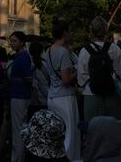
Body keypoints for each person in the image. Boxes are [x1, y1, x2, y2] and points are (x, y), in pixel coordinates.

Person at [78, 16, 121, 122]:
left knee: (94, 131)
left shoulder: (84, 51)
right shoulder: (115, 49)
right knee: (115, 131)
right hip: (113, 94)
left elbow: (81, 78)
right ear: (106, 31)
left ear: (91, 32)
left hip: (91, 95)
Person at [44, 19, 80, 161]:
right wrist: (77, 70)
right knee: (69, 133)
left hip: (52, 95)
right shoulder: (63, 52)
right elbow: (66, 79)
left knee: (56, 133)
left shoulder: (48, 51)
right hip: (65, 97)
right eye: (69, 31)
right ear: (65, 33)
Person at [9, 31, 33, 162]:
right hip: (18, 95)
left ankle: (17, 158)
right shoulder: (19, 56)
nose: (12, 44)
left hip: (20, 96)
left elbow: (29, 77)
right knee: (20, 128)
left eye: (15, 41)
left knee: (18, 129)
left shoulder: (23, 57)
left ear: (22, 42)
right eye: (11, 41)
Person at [28, 41, 49, 119]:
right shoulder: (46, 64)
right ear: (41, 51)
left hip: (31, 99)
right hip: (45, 97)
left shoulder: (28, 64)